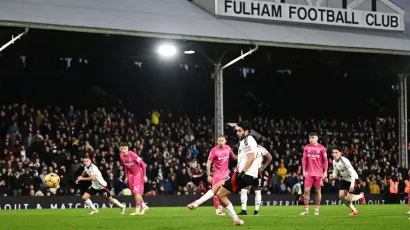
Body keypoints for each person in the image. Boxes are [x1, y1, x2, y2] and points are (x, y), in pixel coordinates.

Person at [187, 120, 259, 226]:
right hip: (240, 173)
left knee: (220, 194)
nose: (237, 133)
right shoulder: (244, 141)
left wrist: (242, 172)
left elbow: (251, 157)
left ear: (246, 131)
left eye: (239, 131)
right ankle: (197, 203)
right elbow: (244, 157)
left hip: (243, 174)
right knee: (218, 188)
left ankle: (236, 219)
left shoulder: (248, 140)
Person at [329, 146, 365, 215]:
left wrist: (352, 184)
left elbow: (352, 173)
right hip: (345, 179)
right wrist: (332, 176)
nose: (334, 154)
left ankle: (361, 196)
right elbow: (335, 172)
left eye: (336, 152)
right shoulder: (334, 162)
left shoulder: (344, 161)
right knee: (341, 196)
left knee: (349, 199)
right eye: (333, 153)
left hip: (352, 178)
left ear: (340, 153)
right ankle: (354, 210)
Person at [207, 136, 237, 216]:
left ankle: (224, 208)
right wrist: (209, 175)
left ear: (225, 141)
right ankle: (218, 210)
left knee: (224, 192)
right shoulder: (214, 150)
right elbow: (208, 163)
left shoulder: (228, 148)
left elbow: (233, 156)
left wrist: (242, 158)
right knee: (215, 192)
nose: (221, 142)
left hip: (226, 175)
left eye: (222, 140)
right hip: (217, 175)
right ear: (217, 141)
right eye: (219, 141)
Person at [238, 145, 272, 216]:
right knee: (245, 191)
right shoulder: (246, 148)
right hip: (248, 172)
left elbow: (270, 157)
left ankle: (255, 211)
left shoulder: (259, 148)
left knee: (256, 191)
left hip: (256, 172)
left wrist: (263, 168)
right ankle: (245, 210)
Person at [300, 132, 328, 216]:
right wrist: (304, 170)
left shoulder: (322, 148)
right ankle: (306, 210)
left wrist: (325, 171)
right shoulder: (306, 147)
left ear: (317, 138)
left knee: (318, 191)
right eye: (309, 138)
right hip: (309, 173)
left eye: (312, 137)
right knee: (306, 191)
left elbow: (325, 161)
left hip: (318, 174)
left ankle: (316, 210)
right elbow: (304, 159)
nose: (310, 139)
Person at [120, 142, 149, 215]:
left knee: (136, 192)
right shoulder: (121, 156)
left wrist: (144, 175)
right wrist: (126, 176)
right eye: (122, 149)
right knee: (135, 193)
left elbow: (143, 164)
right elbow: (126, 166)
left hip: (138, 174)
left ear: (128, 148)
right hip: (131, 176)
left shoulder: (133, 154)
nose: (123, 150)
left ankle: (137, 210)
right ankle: (144, 206)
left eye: (125, 148)